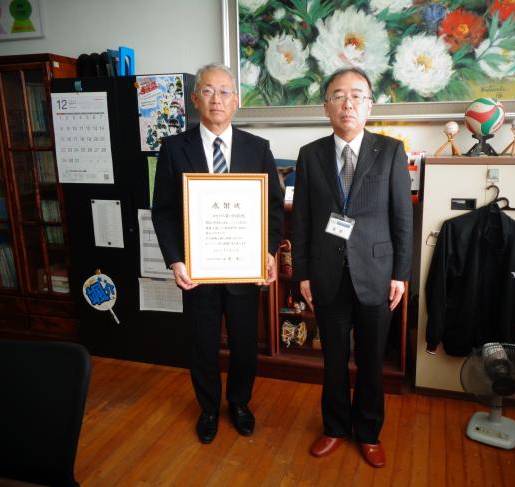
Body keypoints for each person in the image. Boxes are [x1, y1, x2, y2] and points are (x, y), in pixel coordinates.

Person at [152, 62, 283, 444]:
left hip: (243, 268)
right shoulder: (174, 148)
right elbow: (163, 210)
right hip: (198, 269)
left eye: (224, 91)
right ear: (195, 99)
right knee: (202, 344)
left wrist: (268, 252)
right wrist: (176, 259)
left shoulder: (258, 148)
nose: (217, 99)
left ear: (236, 100)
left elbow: (273, 208)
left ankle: (239, 403)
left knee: (244, 343)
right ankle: (208, 408)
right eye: (208, 91)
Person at [291, 67, 412, 468]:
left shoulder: (391, 151)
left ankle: (369, 432)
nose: (348, 104)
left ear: (369, 105)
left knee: (372, 361)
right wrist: (302, 273)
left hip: (377, 274)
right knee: (334, 360)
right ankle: (335, 427)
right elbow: (303, 219)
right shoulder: (310, 155)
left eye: (357, 95)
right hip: (327, 274)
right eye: (339, 96)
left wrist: (401, 274)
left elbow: (402, 218)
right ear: (326, 106)